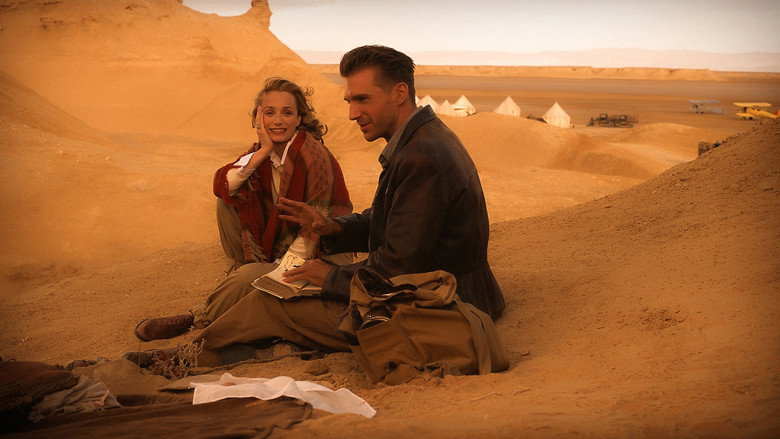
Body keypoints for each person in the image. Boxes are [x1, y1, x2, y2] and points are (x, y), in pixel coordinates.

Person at [132, 77, 353, 343]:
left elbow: (315, 229)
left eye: (287, 113)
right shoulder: (263, 152)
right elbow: (224, 184)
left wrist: (279, 272)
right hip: (283, 249)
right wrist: (264, 149)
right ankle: (242, 275)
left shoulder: (314, 156)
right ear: (258, 118)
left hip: (320, 255)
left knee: (250, 277)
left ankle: (197, 318)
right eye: (269, 113)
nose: (278, 121)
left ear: (299, 119)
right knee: (230, 197)